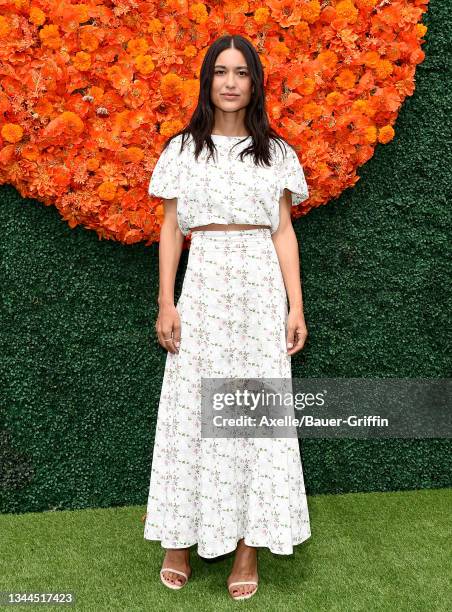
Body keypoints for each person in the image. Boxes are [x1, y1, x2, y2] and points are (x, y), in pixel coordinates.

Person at [144, 34, 311, 601]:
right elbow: (171, 228)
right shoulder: (182, 150)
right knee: (193, 404)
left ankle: (247, 545)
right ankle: (177, 538)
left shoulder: (277, 153)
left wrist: (296, 304)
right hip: (205, 287)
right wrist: (167, 300)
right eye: (221, 71)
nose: (232, 81)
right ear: (207, 80)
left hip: (260, 293)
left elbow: (284, 231)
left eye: (242, 71)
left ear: (255, 81)